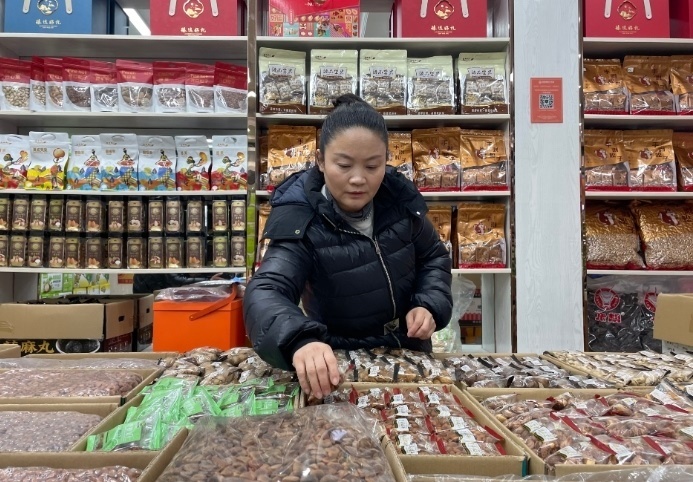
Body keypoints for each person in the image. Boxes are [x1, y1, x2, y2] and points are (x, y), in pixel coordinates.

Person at [243, 94, 453, 399]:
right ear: (320, 160)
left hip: (408, 360)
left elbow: (433, 257)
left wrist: (428, 304)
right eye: (343, 165)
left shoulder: (400, 201)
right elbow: (267, 288)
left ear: (386, 160)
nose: (358, 179)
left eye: (372, 166)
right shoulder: (301, 217)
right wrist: (300, 340)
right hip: (336, 368)